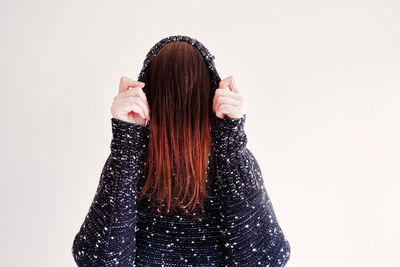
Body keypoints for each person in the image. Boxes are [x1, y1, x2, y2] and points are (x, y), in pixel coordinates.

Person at [71, 35, 291, 266]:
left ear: (148, 96)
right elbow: (98, 260)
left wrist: (230, 140)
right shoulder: (131, 158)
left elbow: (266, 260)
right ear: (212, 94)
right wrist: (127, 140)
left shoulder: (229, 157)